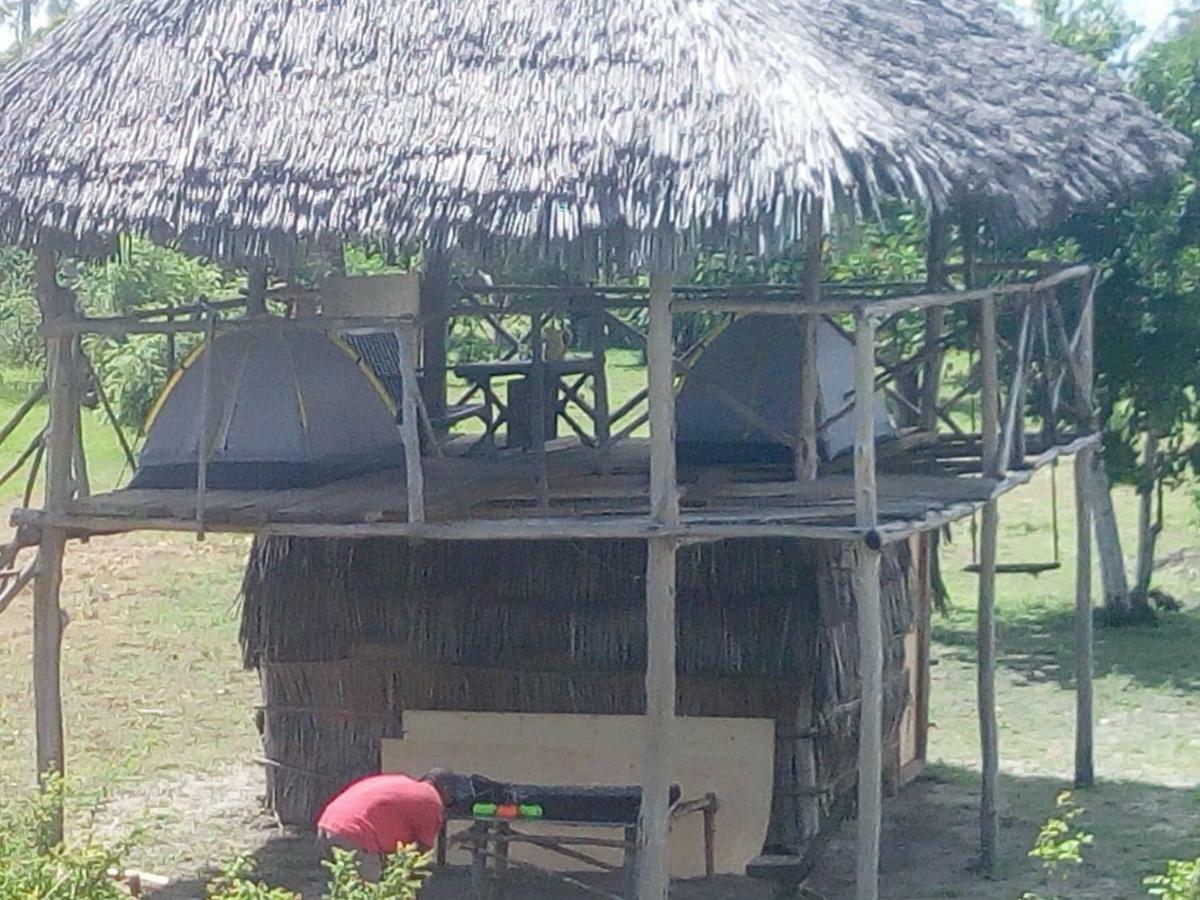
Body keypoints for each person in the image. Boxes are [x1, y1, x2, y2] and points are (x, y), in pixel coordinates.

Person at [315, 769, 456, 879]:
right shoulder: (432, 800)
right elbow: (419, 856)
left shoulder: (404, 784)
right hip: (354, 833)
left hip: (327, 823)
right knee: (371, 893)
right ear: (447, 789)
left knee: (343, 889)